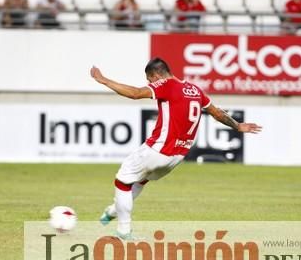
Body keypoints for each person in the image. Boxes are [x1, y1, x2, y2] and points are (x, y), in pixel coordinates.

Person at [90, 58, 262, 240]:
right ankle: (113, 210)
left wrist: (105, 80)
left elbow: (135, 93)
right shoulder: (195, 90)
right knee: (140, 180)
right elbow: (217, 112)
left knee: (122, 180)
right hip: (177, 157)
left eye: (150, 80)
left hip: (158, 149)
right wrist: (238, 126)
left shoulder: (166, 84)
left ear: (156, 75)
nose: (150, 84)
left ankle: (123, 230)